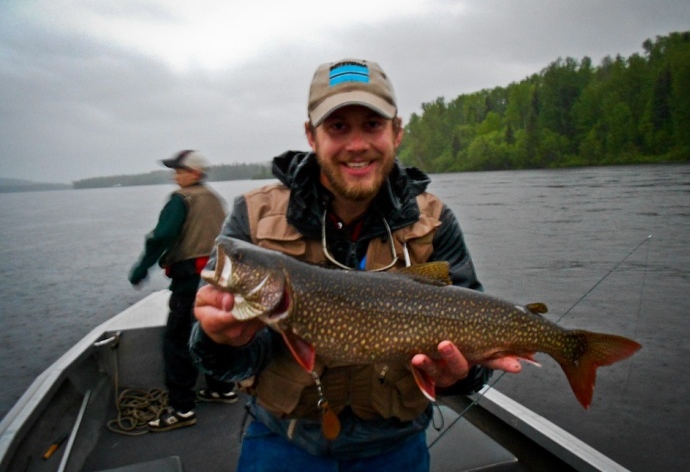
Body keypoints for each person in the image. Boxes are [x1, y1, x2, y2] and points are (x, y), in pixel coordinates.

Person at [190, 59, 522, 469]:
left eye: (372, 125)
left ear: (396, 132)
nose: (357, 144)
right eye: (338, 127)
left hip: (395, 449)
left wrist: (461, 375)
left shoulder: (435, 222)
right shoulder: (252, 217)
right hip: (282, 442)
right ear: (311, 136)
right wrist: (224, 340)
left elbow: (473, 352)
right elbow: (223, 363)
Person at [128, 149, 238, 432]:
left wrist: (141, 269)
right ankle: (223, 388)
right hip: (218, 281)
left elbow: (162, 236)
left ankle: (182, 408)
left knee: (178, 343)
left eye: (180, 170)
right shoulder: (215, 199)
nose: (175, 176)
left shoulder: (180, 200)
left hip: (190, 284)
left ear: (195, 173)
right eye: (175, 170)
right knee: (214, 335)